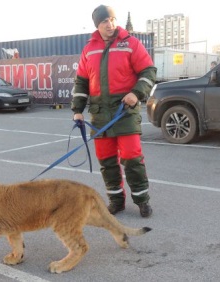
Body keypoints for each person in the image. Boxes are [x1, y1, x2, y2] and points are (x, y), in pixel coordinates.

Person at [71, 5, 157, 217]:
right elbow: (81, 81)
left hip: (124, 110)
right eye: (104, 22)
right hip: (100, 113)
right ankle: (116, 200)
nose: (109, 24)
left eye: (112, 19)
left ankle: (142, 200)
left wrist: (136, 93)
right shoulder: (89, 49)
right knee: (106, 159)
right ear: (97, 26)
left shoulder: (131, 44)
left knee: (132, 156)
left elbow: (148, 71)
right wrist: (78, 110)